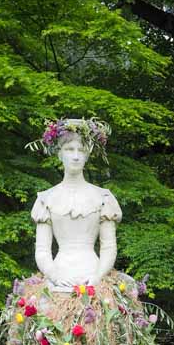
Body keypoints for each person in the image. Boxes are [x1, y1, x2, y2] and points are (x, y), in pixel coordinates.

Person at [30, 118, 121, 291]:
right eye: (69, 149)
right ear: (59, 154)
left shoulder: (103, 197)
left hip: (93, 277)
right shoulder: (46, 199)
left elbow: (109, 247)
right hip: (59, 276)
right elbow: (42, 250)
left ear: (87, 155)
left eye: (81, 150)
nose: (76, 156)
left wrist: (97, 276)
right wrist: (55, 276)